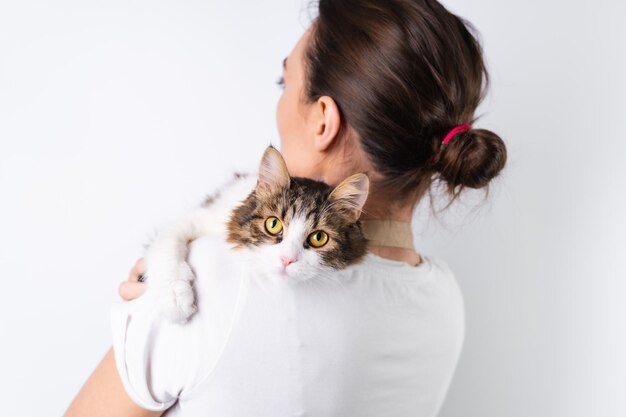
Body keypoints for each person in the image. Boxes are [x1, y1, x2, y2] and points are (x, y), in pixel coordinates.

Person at [64, 0, 506, 416]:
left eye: (285, 82)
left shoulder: (212, 281)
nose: (278, 103)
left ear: (323, 122)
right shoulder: (445, 300)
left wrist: (154, 312)